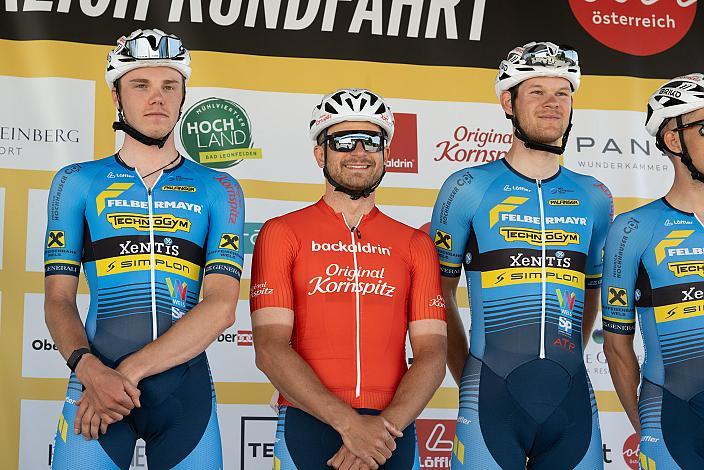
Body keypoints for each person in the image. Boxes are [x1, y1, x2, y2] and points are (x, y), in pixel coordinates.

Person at [45, 28, 244, 470]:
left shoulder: (219, 187)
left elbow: (221, 307)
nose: (157, 98)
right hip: (93, 380)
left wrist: (124, 375)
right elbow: (58, 299)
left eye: (169, 85)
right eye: (141, 84)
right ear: (117, 96)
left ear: (183, 96)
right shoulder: (77, 181)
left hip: (181, 393)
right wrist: (89, 370)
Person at [430, 42, 612, 469]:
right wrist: (470, 375)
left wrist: (565, 353)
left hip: (570, 395)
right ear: (507, 101)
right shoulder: (467, 187)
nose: (552, 103)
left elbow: (592, 291)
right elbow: (437, 296)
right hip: (490, 392)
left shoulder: (595, 196)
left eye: (562, 93)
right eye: (537, 92)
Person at [250, 88, 447, 469]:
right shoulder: (282, 233)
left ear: (386, 154)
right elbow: (270, 348)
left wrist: (376, 433)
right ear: (320, 153)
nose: (359, 152)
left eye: (371, 141)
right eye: (342, 141)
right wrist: (351, 426)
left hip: (391, 433)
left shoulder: (415, 244)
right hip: (310, 427)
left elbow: (432, 355)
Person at [602, 73, 704, 469]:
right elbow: (615, 345)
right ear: (675, 140)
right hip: (672, 418)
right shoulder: (633, 229)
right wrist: (646, 427)